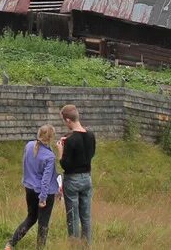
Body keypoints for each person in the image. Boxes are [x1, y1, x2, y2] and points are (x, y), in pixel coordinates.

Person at [6, 124, 59, 250]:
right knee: (43, 224)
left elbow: (26, 164)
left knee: (31, 218)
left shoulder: (29, 145)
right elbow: (46, 179)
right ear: (51, 138)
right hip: (44, 192)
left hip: (29, 187)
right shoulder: (50, 157)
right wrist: (43, 198)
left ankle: (10, 244)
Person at [59, 104, 96, 243]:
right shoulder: (91, 135)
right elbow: (91, 154)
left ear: (68, 120)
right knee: (85, 216)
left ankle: (74, 245)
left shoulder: (70, 139)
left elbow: (65, 164)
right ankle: (87, 245)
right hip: (87, 178)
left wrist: (61, 151)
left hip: (72, 180)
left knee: (73, 216)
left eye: (64, 120)